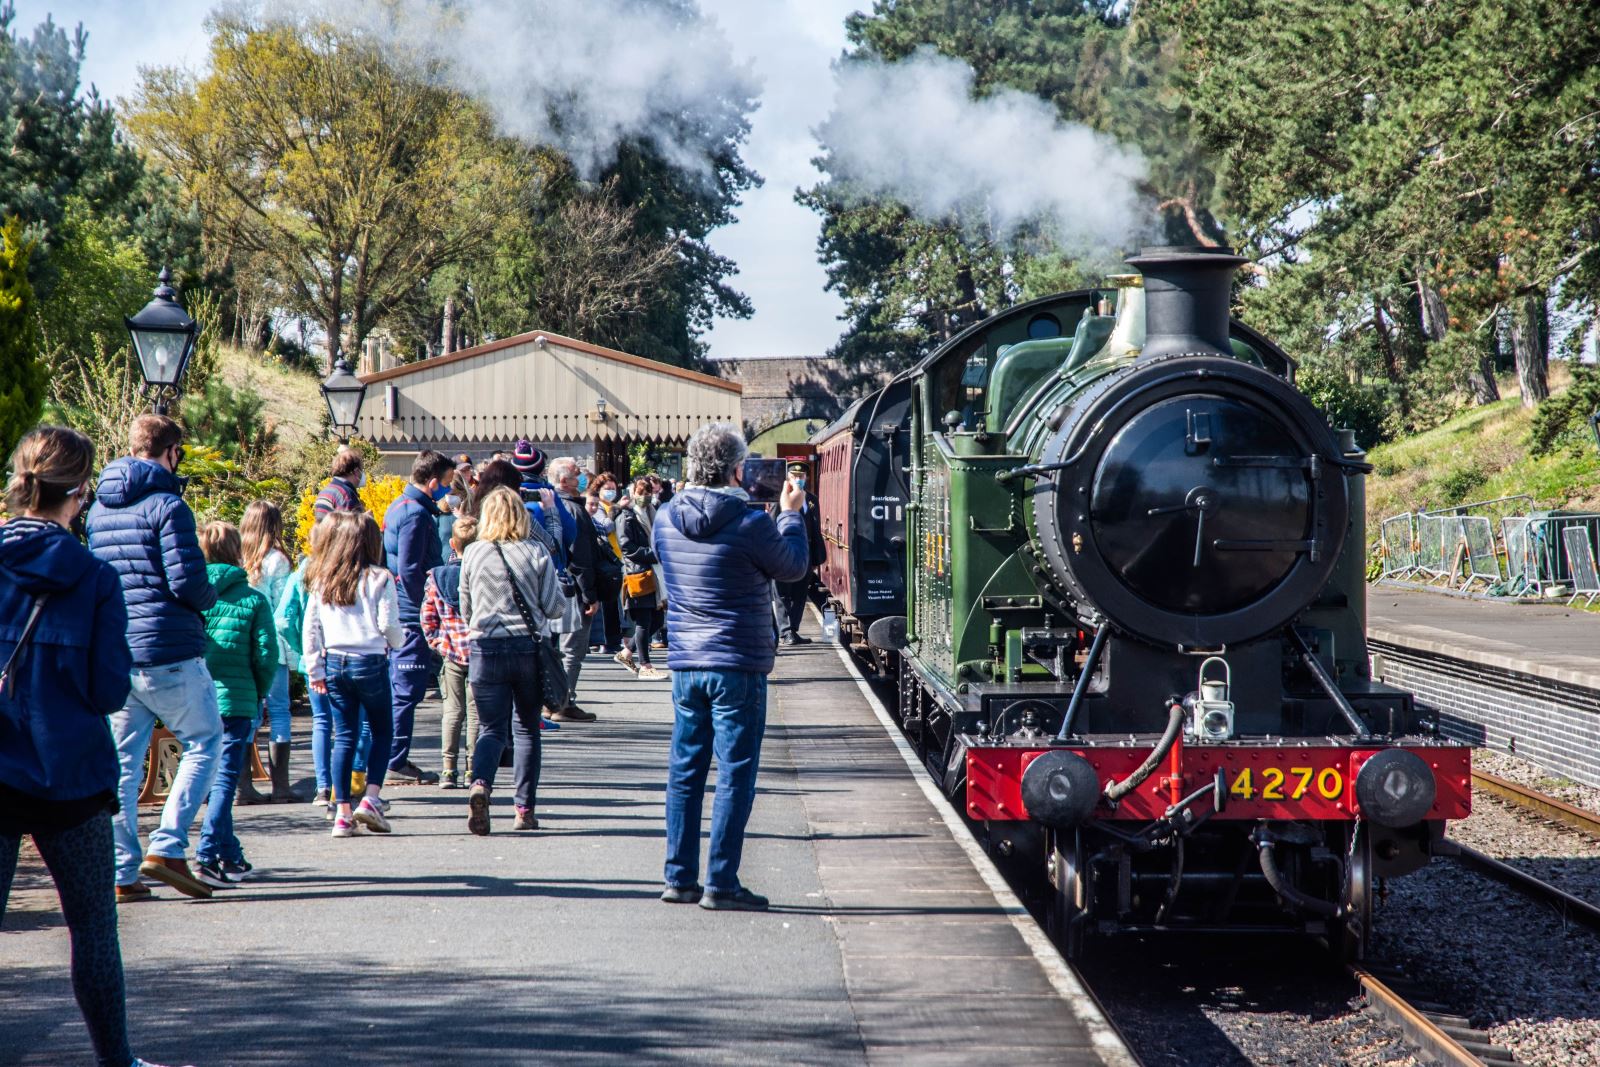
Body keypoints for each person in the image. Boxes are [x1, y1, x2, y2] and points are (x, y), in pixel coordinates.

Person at [0, 428, 185, 1067]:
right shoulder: (95, 578)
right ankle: (117, 1059)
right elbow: (110, 691)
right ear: (79, 493)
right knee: (93, 930)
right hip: (71, 773)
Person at [653, 424, 809, 911]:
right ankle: (721, 882)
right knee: (736, 771)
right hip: (737, 661)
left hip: (685, 661)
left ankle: (679, 878)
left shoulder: (663, 518)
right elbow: (793, 568)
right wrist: (790, 516)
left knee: (685, 769)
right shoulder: (751, 522)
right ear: (737, 470)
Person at [86, 414, 220, 902]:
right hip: (170, 648)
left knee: (123, 764)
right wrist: (210, 598)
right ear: (172, 452)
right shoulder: (169, 505)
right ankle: (167, 845)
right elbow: (186, 581)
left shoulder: (98, 508)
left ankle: (123, 872)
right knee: (205, 741)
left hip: (120, 651)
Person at [459, 487, 565, 835]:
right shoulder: (536, 552)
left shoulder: (473, 553)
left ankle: (480, 784)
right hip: (527, 649)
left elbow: (466, 609)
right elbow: (554, 607)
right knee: (526, 730)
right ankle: (524, 810)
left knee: (491, 729)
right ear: (522, 516)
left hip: (485, 650)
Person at [305, 513, 403, 838]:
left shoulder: (323, 578)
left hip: (334, 661)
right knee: (382, 730)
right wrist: (396, 641)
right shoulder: (379, 578)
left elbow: (311, 629)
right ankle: (371, 798)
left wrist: (315, 669)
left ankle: (342, 813)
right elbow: (389, 625)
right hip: (370, 659)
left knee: (343, 735)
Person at [193, 522, 279, 887]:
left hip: (197, 696)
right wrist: (260, 692)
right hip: (238, 698)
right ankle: (207, 853)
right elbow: (265, 655)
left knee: (212, 780)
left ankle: (230, 854)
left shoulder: (191, 596)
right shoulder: (253, 599)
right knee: (227, 778)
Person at [381, 450, 455, 785]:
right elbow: (410, 568)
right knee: (406, 691)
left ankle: (394, 757)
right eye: (447, 485)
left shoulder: (399, 506)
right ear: (434, 482)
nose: (448, 492)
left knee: (401, 690)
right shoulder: (415, 515)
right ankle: (395, 761)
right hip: (411, 615)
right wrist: (427, 609)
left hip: (402, 609)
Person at [276, 519, 336, 815]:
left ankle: (323, 786)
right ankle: (352, 783)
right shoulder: (344, 569)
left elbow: (284, 619)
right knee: (356, 724)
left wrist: (301, 648)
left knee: (322, 722)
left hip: (312, 657)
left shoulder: (302, 572)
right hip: (345, 655)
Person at [241, 500, 297, 800]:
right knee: (278, 710)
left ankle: (243, 786)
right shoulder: (278, 561)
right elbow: (283, 610)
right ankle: (281, 785)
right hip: (272, 646)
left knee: (249, 713)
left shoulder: (237, 557)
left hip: (243, 647)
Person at [423, 516, 479, 788]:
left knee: (452, 712)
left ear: (452, 543)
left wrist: (438, 644)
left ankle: (448, 769)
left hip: (452, 652)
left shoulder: (436, 578)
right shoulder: (482, 574)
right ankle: (473, 768)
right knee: (476, 713)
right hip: (480, 653)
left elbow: (428, 618)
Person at [547, 457, 600, 722]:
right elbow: (581, 557)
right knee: (572, 650)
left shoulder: (551, 506)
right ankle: (563, 702)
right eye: (577, 474)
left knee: (555, 647)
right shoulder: (572, 509)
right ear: (564, 480)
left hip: (551, 585)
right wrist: (590, 593)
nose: (583, 478)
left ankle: (553, 700)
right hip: (572, 589)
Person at [615, 478, 666, 681]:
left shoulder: (654, 513)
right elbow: (627, 548)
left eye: (649, 491)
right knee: (644, 620)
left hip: (655, 573)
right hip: (638, 573)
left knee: (658, 619)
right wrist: (654, 553)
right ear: (632, 492)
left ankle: (627, 653)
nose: (645, 495)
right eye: (641, 491)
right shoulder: (626, 516)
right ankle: (645, 666)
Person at [774, 462, 826, 647]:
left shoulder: (812, 499)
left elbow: (815, 529)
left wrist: (816, 557)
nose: (798, 479)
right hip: (783, 554)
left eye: (801, 476)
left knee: (800, 594)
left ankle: (793, 629)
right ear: (788, 478)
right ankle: (785, 631)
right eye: (794, 476)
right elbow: (773, 526)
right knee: (782, 595)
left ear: (806, 478)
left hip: (805, 555)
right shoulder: (779, 499)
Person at [585, 478, 625, 655]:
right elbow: (606, 527)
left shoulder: (610, 506)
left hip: (613, 557)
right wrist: (616, 511)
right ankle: (601, 640)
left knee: (611, 602)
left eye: (613, 488)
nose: (610, 492)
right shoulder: (603, 509)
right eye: (607, 488)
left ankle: (610, 639)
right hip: (597, 563)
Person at [312, 445, 367, 521]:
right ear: (356, 471)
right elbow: (350, 529)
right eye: (362, 469)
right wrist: (366, 520)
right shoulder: (346, 495)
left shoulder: (325, 491)